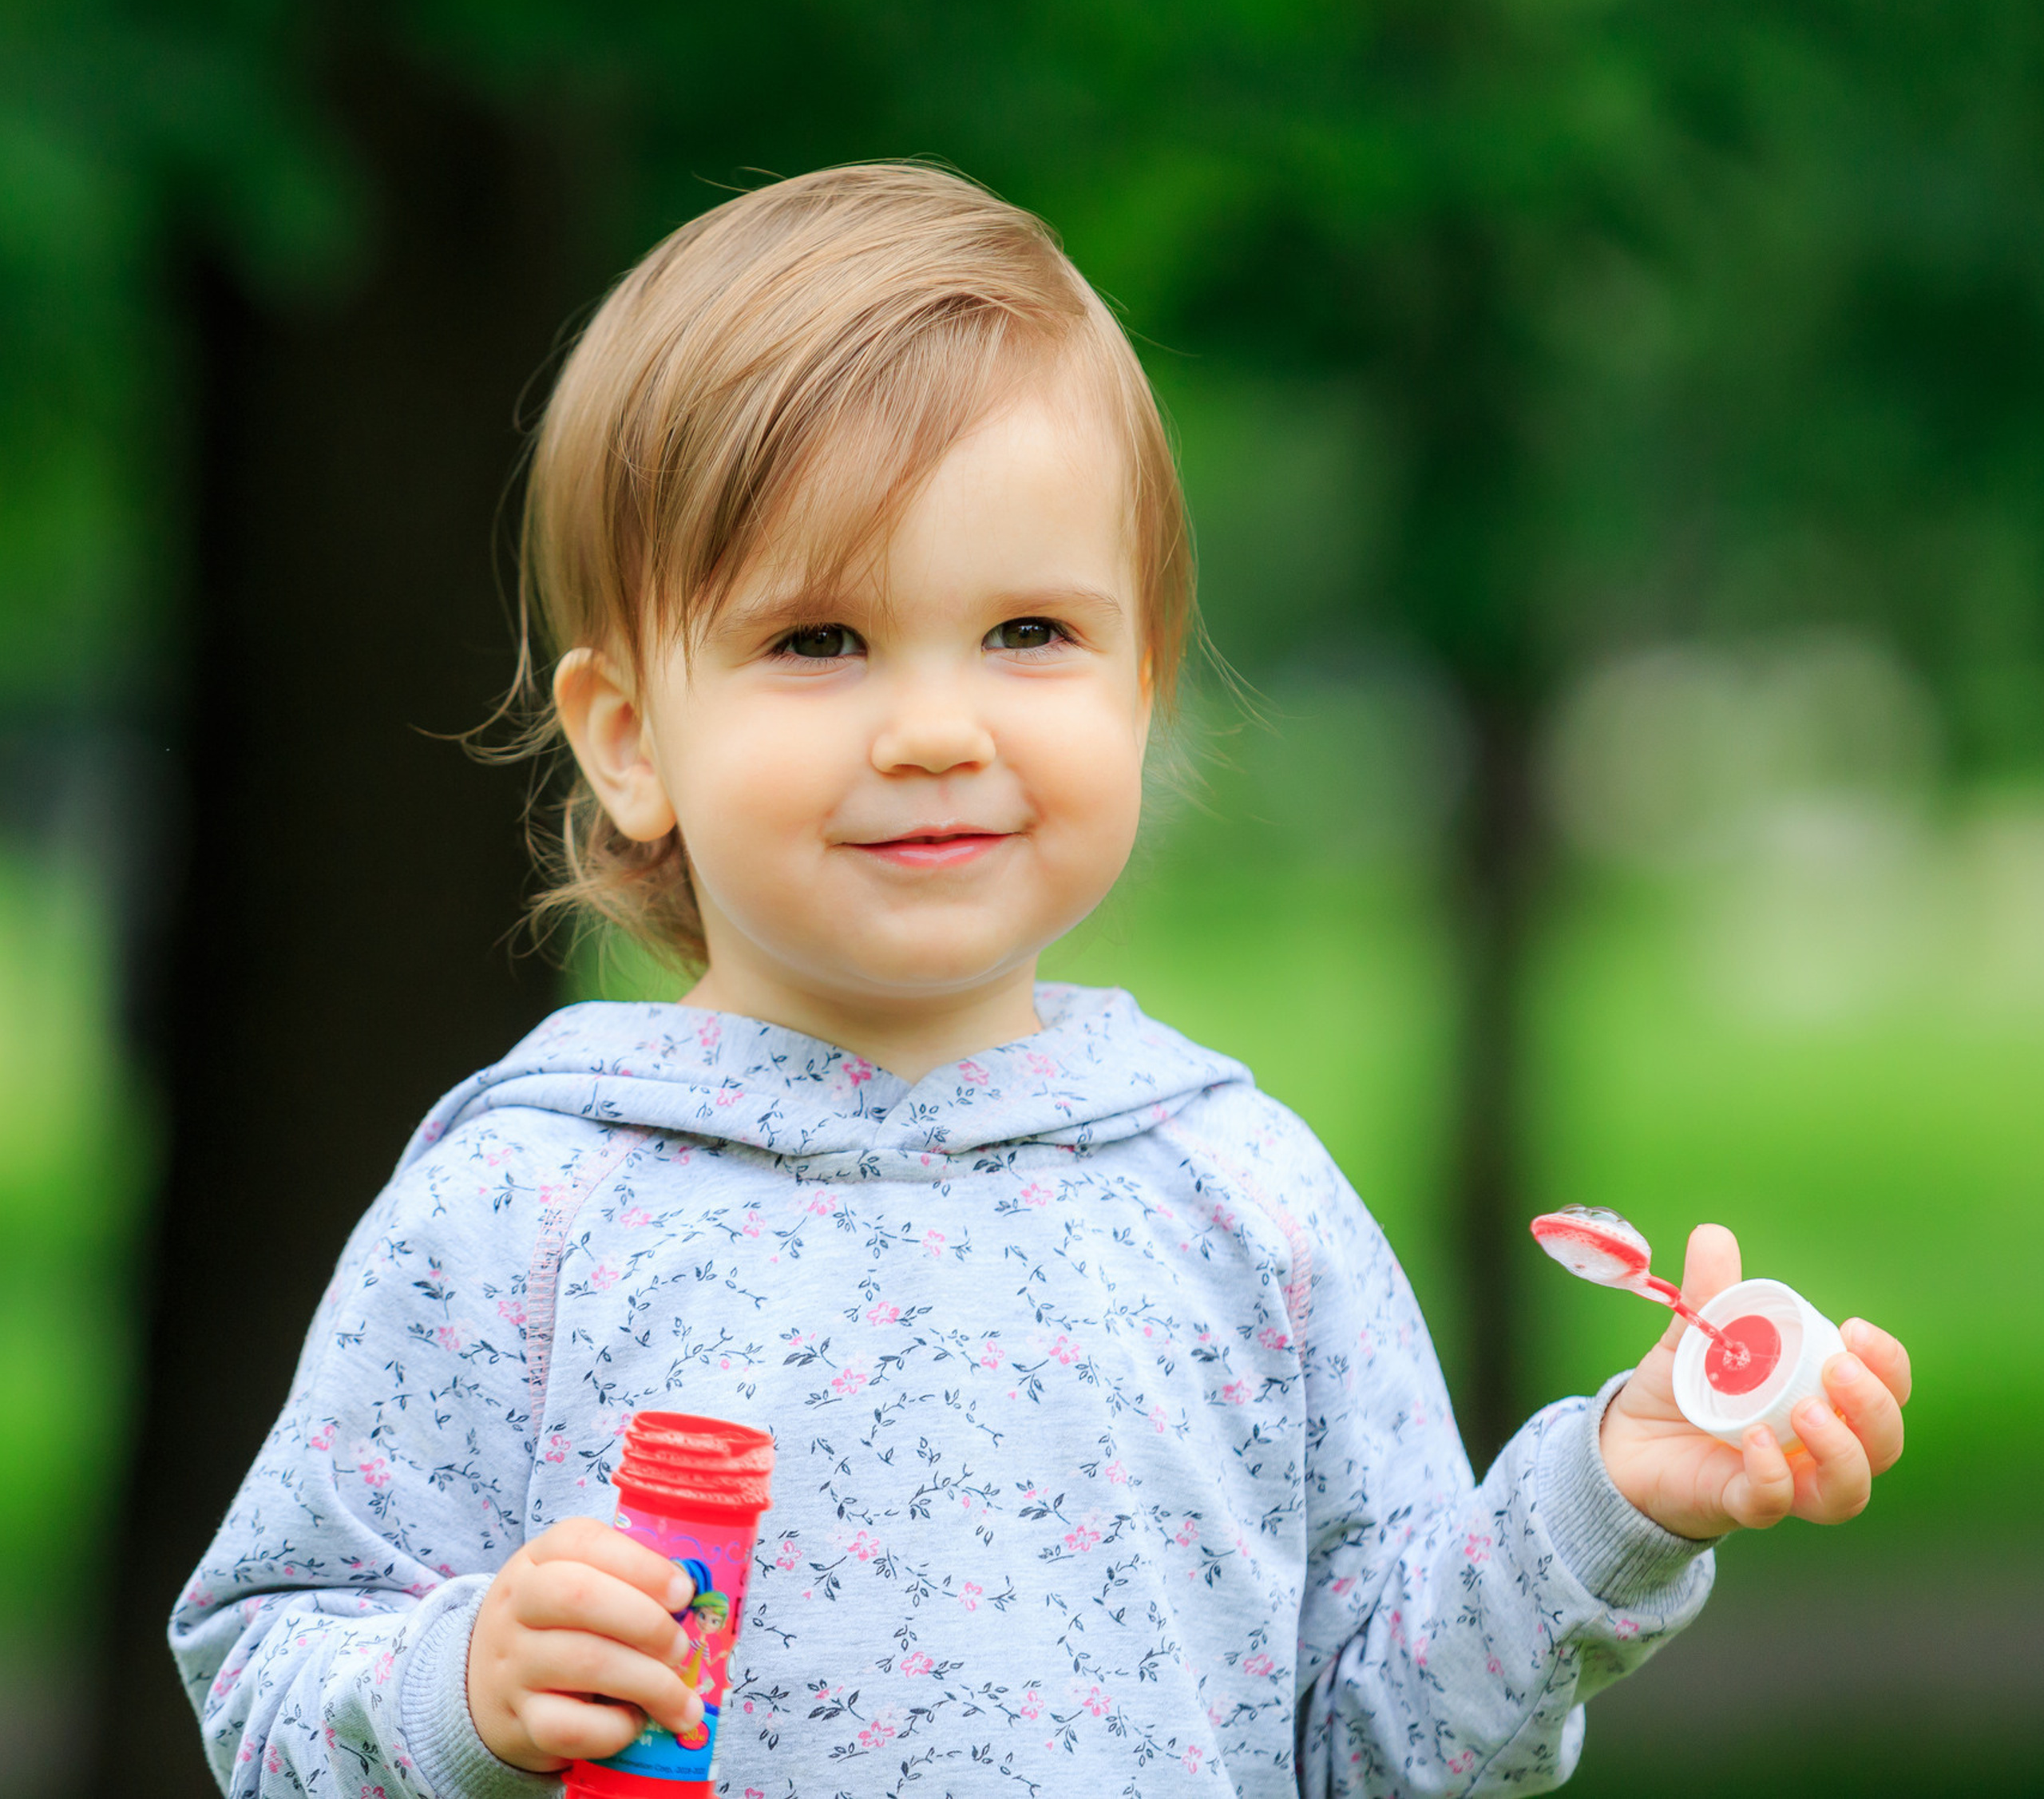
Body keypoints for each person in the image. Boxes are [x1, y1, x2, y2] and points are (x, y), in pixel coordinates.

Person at [172, 164, 1911, 1798]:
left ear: (1140, 689)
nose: (937, 727)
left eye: (1027, 633)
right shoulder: (525, 1205)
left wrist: (1608, 1498)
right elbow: (261, 1669)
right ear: (630, 739)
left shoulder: (1239, 1203)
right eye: (817, 641)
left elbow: (1378, 1735)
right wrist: (457, 1684)